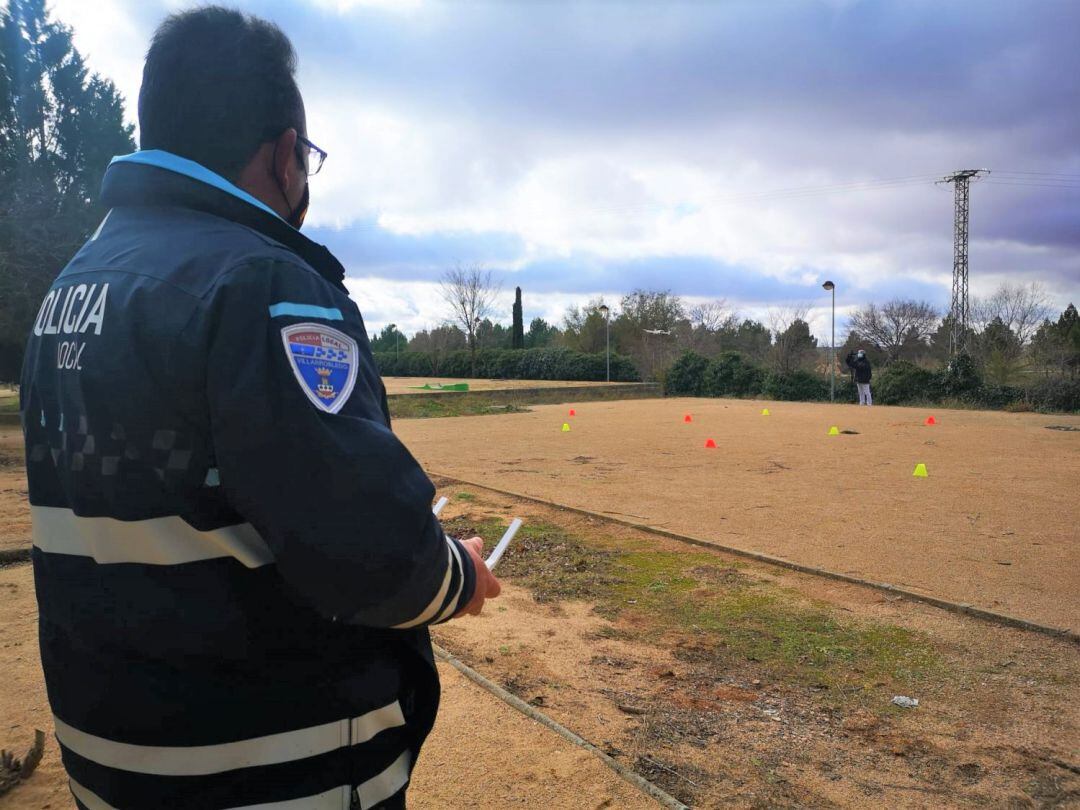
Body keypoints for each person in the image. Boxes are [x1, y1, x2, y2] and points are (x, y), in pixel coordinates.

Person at [19, 7, 500, 808]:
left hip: (112, 758)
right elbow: (366, 547)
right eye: (306, 160)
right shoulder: (262, 285)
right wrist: (458, 574)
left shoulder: (73, 285)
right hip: (267, 765)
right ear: (284, 157)